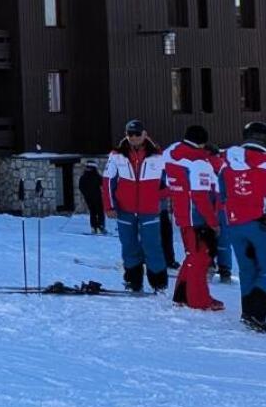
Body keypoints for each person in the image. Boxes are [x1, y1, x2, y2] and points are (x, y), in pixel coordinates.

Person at [218, 121, 266, 333]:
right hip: (263, 224)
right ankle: (256, 315)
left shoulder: (226, 163)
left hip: (234, 224)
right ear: (265, 139)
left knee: (247, 269)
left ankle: (247, 313)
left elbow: (220, 194)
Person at [162, 124, 225, 311]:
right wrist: (213, 222)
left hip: (182, 214)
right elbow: (200, 196)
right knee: (201, 258)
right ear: (202, 143)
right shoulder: (198, 163)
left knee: (192, 256)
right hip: (198, 218)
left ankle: (182, 294)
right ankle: (199, 300)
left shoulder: (172, 154)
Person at [105, 119, 168, 294]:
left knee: (152, 245)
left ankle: (159, 283)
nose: (133, 138)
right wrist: (109, 205)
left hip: (149, 210)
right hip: (125, 209)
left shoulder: (158, 155)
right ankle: (133, 281)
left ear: (144, 134)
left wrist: (158, 195)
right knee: (129, 245)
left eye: (137, 134)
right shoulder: (116, 155)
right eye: (130, 134)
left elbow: (168, 181)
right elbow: (108, 180)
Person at [78, 162, 107, 234]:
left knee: (92, 212)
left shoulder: (83, 177)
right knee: (100, 212)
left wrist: (85, 194)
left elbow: (81, 187)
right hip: (97, 197)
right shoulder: (97, 176)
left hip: (88, 198)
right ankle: (101, 227)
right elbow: (103, 184)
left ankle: (93, 227)